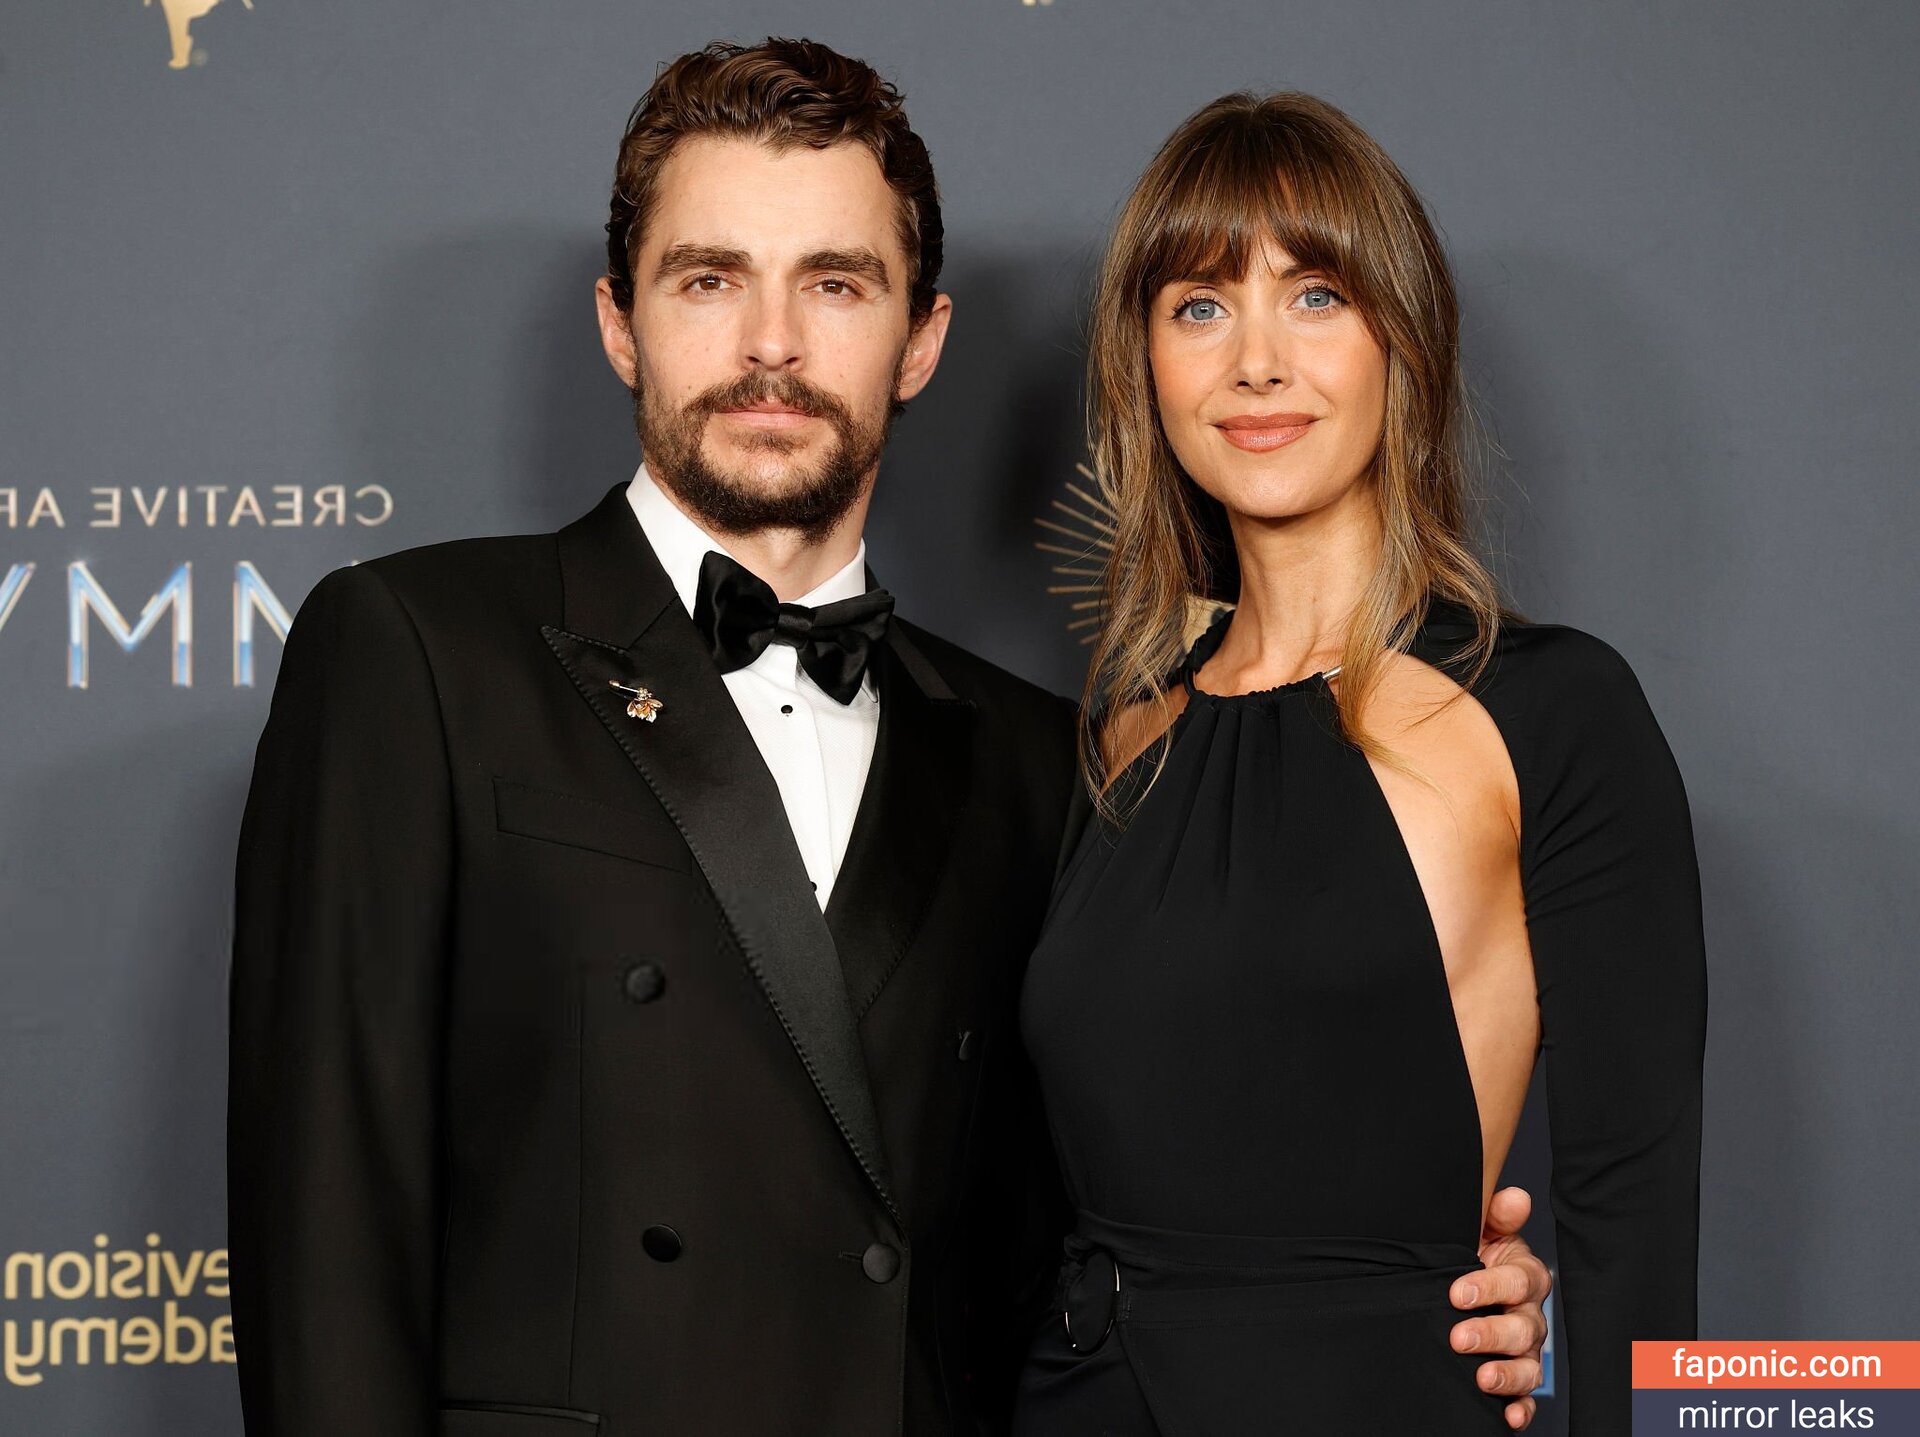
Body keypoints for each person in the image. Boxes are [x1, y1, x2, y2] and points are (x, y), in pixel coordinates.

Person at [227, 42, 1554, 1437]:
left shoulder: (1042, 759)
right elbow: (326, 1229)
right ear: (620, 323)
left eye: (835, 284)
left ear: (921, 340)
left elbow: (1122, 1218)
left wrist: (1423, 1289)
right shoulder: (421, 654)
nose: (772, 345)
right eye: (709, 280)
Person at [1014, 89, 1708, 1435]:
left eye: (1317, 297)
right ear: (1144, 365)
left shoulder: (1550, 712)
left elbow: (1635, 1219)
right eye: (1199, 307)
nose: (1256, 363)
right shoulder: (1118, 736)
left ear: (1406, 337)